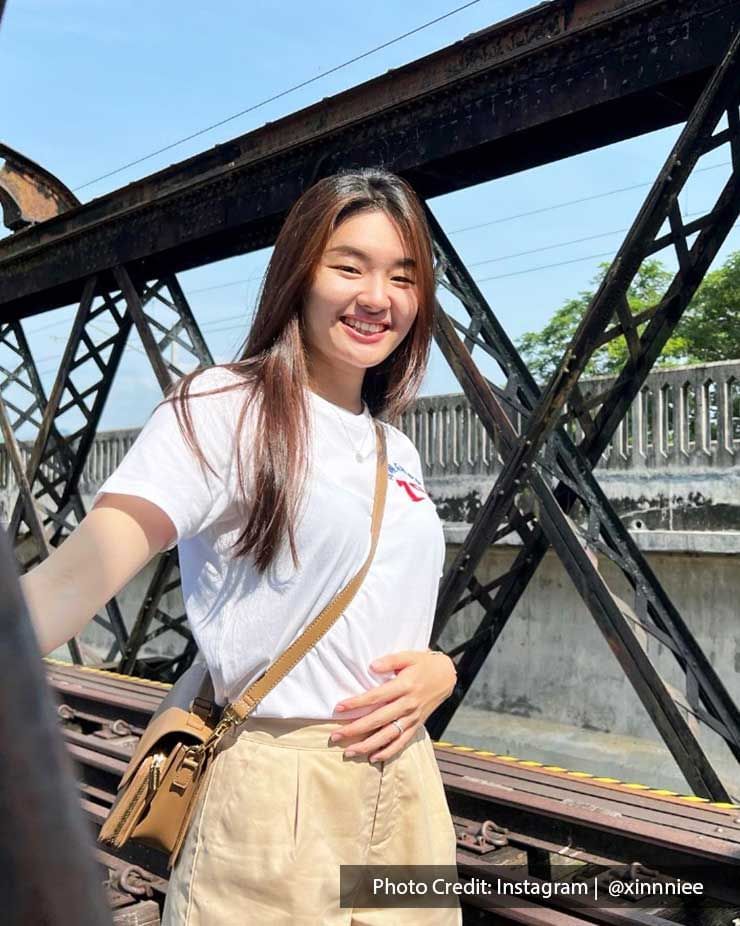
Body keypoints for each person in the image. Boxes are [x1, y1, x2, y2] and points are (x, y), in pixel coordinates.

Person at [20, 167, 463, 925]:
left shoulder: (398, 450)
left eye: (403, 276)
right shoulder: (225, 407)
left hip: (407, 787)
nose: (376, 298)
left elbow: (383, 607)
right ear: (298, 271)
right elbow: (68, 587)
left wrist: (440, 670)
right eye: (347, 266)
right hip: (272, 789)